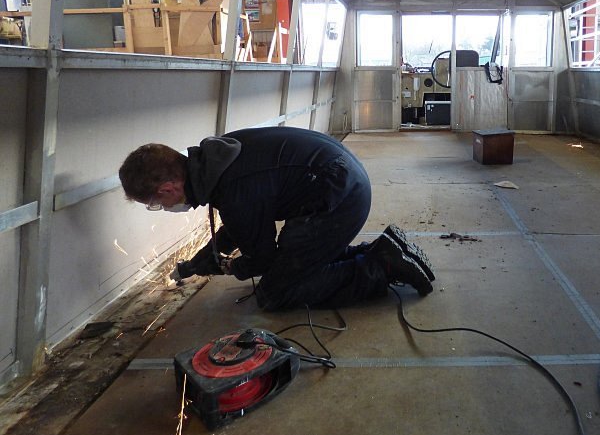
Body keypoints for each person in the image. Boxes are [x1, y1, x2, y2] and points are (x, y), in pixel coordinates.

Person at [118, 126, 435, 310]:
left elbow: (262, 257)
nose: (164, 208)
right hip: (342, 180)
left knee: (276, 292)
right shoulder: (214, 161)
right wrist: (205, 258)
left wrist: (234, 266)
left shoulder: (233, 191)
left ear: (167, 189)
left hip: (341, 197)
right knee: (298, 258)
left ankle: (381, 267)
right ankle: (381, 250)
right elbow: (242, 220)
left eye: (156, 204)